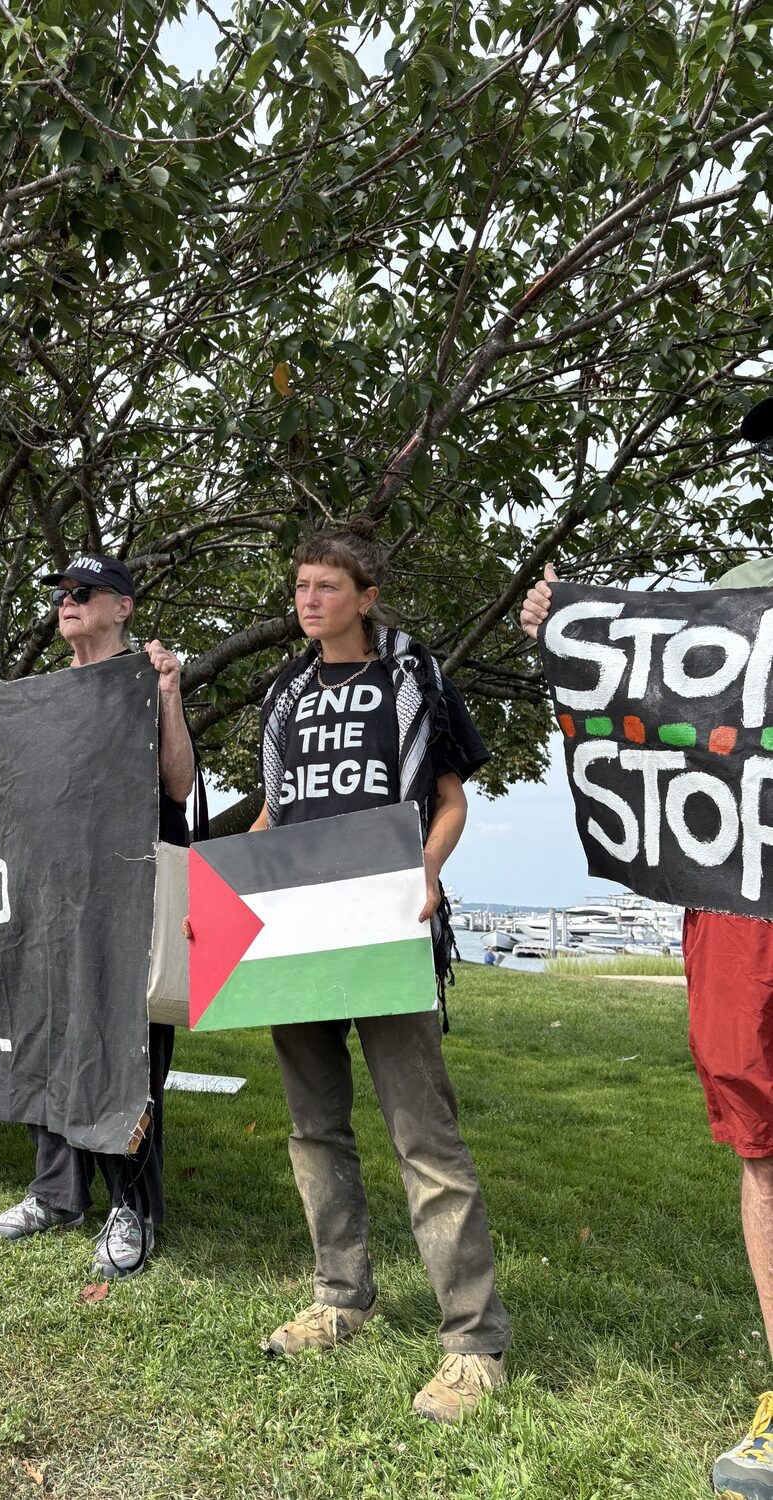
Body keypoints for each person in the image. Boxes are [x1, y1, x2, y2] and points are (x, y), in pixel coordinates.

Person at [519, 398, 773, 1494]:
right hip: (739, 901)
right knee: (760, 1136)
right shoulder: (738, 611)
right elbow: (655, 699)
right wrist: (571, 637)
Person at [234, 518, 510, 1422]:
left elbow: (450, 799)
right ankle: (338, 1298)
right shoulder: (283, 691)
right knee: (313, 1127)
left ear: (364, 594)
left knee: (422, 1137)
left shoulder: (414, 677)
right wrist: (239, 879)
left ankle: (472, 1343)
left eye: (323, 586)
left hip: (386, 927)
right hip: (296, 933)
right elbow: (276, 813)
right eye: (300, 586)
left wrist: (426, 876)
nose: (306, 600)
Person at [0, 553, 196, 1279]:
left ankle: (131, 1210)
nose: (67, 602)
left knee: (125, 1057)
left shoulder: (141, 683)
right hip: (47, 904)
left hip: (125, 904)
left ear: (122, 607)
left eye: (84, 593)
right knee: (47, 1046)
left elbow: (178, 785)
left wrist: (170, 694)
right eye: (60, 593)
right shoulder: (44, 695)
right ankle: (56, 1193)